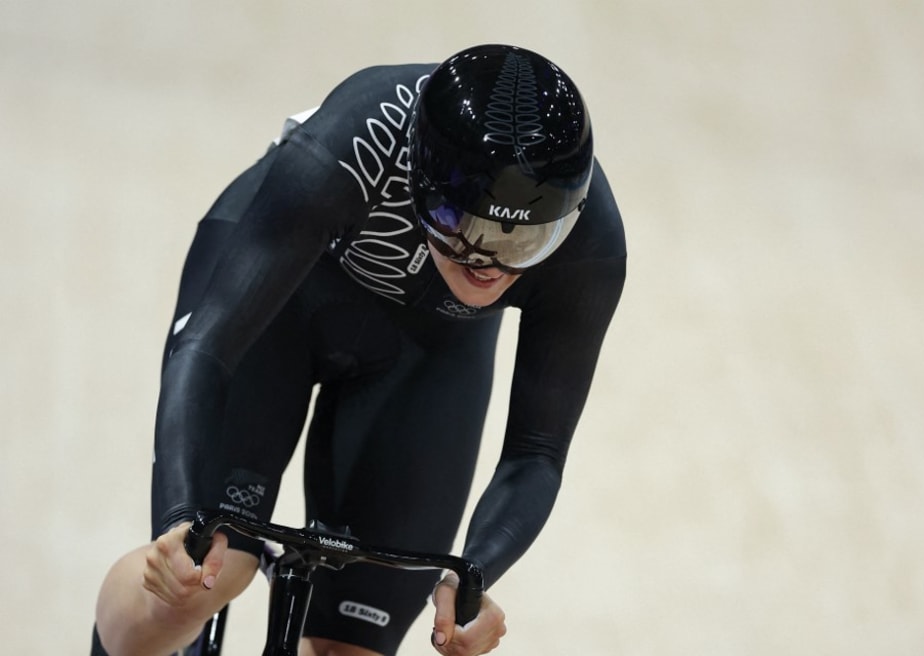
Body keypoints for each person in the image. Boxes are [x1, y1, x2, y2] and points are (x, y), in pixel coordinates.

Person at [92, 43, 626, 656]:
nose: (490, 265)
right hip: (281, 299)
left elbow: (537, 451)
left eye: (526, 243)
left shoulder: (592, 242)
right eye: (463, 226)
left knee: (353, 646)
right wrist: (178, 519)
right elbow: (206, 346)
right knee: (196, 585)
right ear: (420, 178)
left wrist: (472, 576)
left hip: (428, 347)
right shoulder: (349, 141)